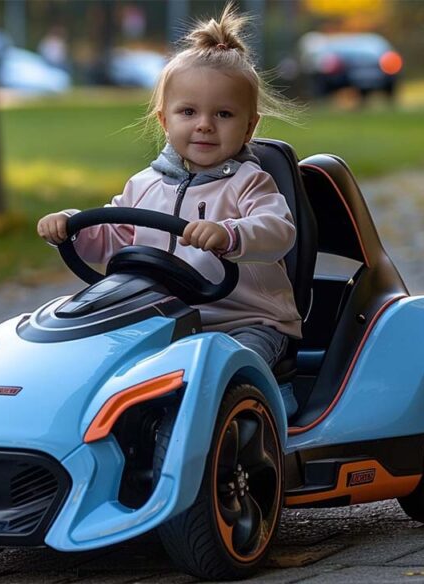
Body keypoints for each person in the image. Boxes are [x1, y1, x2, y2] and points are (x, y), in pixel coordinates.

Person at [36, 4, 301, 416]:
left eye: (223, 114)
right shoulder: (143, 185)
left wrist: (230, 234)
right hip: (163, 319)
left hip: (245, 322)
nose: (205, 125)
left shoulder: (250, 182)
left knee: (221, 371)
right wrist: (72, 227)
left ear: (249, 126)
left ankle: (260, 409)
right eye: (189, 112)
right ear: (164, 120)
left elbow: (278, 230)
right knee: (95, 359)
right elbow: (112, 237)